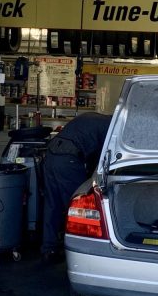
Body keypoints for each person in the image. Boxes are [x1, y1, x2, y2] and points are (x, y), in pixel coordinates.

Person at [41, 112, 112, 261]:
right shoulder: (111, 127)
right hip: (69, 159)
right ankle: (76, 251)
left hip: (51, 154)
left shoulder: (92, 117)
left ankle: (49, 248)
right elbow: (100, 159)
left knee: (52, 203)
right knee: (77, 208)